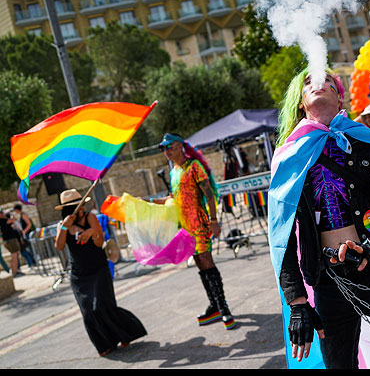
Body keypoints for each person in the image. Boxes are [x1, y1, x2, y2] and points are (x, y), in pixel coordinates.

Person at [269, 68, 370, 369]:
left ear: (338, 94)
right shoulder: (288, 157)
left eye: (326, 80)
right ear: (300, 103)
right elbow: (281, 238)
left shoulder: (369, 142)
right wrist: (296, 302)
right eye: (308, 82)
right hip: (328, 278)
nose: (317, 84)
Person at [151, 133, 236, 330]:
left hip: (199, 223)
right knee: (199, 263)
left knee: (207, 261)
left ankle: (224, 308)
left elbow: (209, 194)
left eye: (170, 147)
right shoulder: (174, 172)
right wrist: (151, 202)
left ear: (181, 146)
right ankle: (214, 305)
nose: (167, 151)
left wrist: (214, 221)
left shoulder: (193, 167)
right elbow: (174, 198)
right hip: (185, 227)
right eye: (164, 148)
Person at [54, 189, 147, 356]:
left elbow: (100, 242)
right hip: (79, 274)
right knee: (88, 311)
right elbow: (59, 247)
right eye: (76, 206)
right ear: (67, 209)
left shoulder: (90, 217)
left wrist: (91, 232)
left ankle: (126, 333)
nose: (81, 208)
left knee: (102, 306)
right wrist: (64, 228)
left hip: (98, 268)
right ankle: (105, 344)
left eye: (81, 204)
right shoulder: (63, 225)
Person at [12, 204, 36, 270]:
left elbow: (29, 224)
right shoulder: (21, 215)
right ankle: (33, 262)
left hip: (28, 234)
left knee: (31, 249)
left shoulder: (23, 214)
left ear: (17, 209)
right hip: (26, 234)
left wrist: (24, 232)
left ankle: (34, 262)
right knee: (29, 249)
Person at [0, 210, 22, 276]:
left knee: (14, 256)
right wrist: (11, 214)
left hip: (8, 241)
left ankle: (15, 271)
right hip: (11, 240)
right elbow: (14, 219)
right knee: (14, 257)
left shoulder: (3, 220)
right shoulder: (2, 221)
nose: (3, 214)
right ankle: (14, 272)